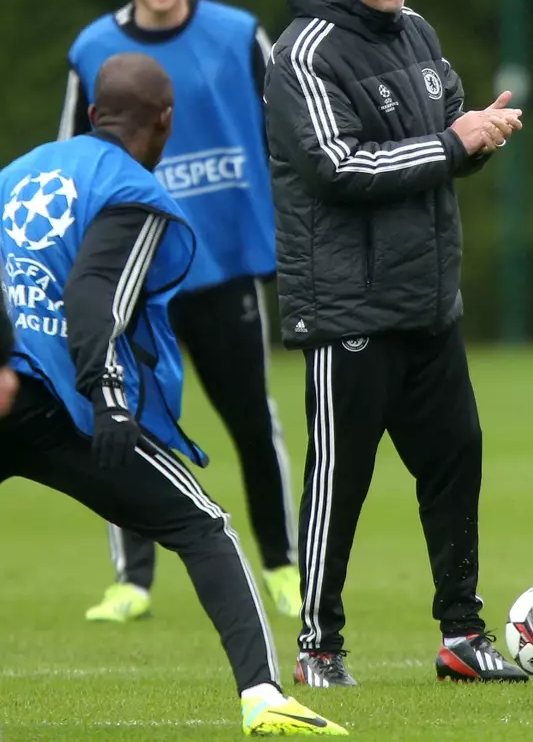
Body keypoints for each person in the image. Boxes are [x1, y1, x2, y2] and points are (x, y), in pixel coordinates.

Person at [0, 52, 344, 736]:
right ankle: (263, 697)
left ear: (95, 115)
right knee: (203, 526)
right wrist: (110, 396)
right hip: (59, 402)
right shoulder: (132, 193)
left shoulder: (20, 170)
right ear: (165, 123)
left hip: (9, 377)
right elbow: (93, 295)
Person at [265, 0, 527, 687]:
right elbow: (337, 167)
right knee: (339, 481)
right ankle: (318, 646)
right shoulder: (302, 54)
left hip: (426, 302)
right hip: (347, 305)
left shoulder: (417, 33)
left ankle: (463, 635)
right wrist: (454, 141)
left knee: (456, 461)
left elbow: (442, 138)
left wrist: (477, 134)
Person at [60, 0, 299, 624]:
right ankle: (133, 579)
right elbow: (74, 159)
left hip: (224, 266)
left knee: (252, 421)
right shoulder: (93, 49)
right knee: (122, 414)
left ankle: (283, 566)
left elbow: (289, 128)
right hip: (132, 275)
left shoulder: (236, 35)